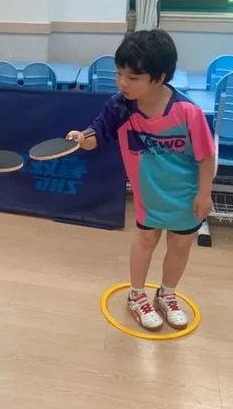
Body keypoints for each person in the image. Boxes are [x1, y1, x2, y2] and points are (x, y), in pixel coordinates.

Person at [67, 30, 215, 331]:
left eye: (132, 77)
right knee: (146, 239)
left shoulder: (188, 112)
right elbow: (96, 136)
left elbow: (206, 155)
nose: (122, 83)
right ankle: (136, 296)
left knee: (180, 244)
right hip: (149, 193)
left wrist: (204, 193)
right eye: (119, 73)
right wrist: (81, 138)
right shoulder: (119, 107)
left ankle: (167, 294)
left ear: (159, 78)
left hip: (185, 194)